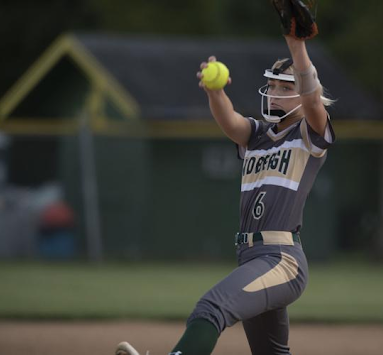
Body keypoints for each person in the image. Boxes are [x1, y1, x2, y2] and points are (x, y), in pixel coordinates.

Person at [116, 3, 335, 355]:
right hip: (251, 256)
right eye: (272, 85)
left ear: (300, 92)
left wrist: (297, 46)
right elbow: (231, 122)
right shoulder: (258, 135)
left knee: (211, 308)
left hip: (282, 259)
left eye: (282, 87)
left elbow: (312, 101)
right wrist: (215, 92)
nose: (273, 91)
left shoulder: (309, 136)